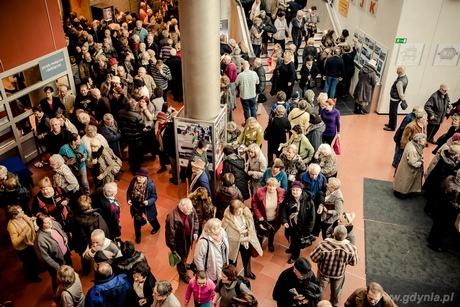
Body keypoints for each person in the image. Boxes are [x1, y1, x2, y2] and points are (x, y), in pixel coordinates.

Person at [310, 225, 359, 305]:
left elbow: (313, 258)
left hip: (323, 273)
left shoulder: (324, 245)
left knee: (321, 289)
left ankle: (319, 304)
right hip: (338, 274)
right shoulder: (351, 248)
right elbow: (354, 262)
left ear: (333, 233)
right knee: (336, 291)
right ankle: (334, 304)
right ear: (346, 236)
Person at [222, 200, 262, 279]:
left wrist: (247, 231)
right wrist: (241, 239)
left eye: (241, 211)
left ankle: (248, 272)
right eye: (237, 212)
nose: (240, 214)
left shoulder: (246, 214)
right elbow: (227, 235)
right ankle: (232, 275)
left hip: (246, 242)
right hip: (233, 244)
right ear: (233, 211)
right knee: (232, 261)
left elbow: (251, 226)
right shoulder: (227, 219)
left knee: (247, 258)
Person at [72, 195, 110, 276]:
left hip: (82, 243)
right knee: (99, 256)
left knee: (85, 258)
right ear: (89, 205)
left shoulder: (74, 217)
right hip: (96, 242)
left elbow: (75, 231)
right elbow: (103, 229)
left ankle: (86, 271)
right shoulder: (97, 216)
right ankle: (100, 271)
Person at [34, 214, 73, 292]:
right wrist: (57, 266)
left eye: (50, 220)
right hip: (56, 262)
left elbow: (62, 230)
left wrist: (64, 237)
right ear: (41, 225)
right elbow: (44, 257)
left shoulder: (54, 224)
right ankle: (57, 294)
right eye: (47, 222)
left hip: (65, 254)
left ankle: (71, 286)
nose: (50, 223)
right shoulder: (40, 239)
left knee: (70, 271)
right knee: (58, 279)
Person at [165, 198, 199, 284]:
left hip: (187, 238)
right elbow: (170, 235)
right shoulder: (172, 218)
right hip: (179, 243)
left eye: (191, 208)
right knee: (180, 258)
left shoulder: (190, 209)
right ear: (182, 209)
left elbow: (195, 219)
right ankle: (183, 274)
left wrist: (195, 231)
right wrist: (173, 248)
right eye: (189, 209)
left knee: (185, 255)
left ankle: (184, 264)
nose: (191, 210)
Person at [6, 205, 42, 283]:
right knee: (28, 263)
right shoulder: (11, 226)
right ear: (15, 216)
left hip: (31, 242)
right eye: (21, 212)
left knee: (35, 258)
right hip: (23, 249)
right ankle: (32, 276)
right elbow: (15, 243)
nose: (23, 212)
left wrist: (31, 219)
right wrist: (23, 233)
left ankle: (37, 269)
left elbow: (28, 219)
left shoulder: (23, 217)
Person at [427, 170, 460, 252]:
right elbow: (454, 204)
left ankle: (431, 239)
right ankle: (435, 245)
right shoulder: (456, 189)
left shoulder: (449, 178)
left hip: (439, 207)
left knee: (436, 225)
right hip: (447, 212)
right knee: (442, 229)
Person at [252, 177, 286, 252]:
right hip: (263, 218)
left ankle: (270, 244)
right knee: (260, 232)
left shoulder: (281, 192)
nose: (271, 188)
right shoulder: (259, 191)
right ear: (266, 185)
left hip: (275, 218)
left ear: (276, 186)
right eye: (270, 185)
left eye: (273, 186)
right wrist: (259, 215)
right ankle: (259, 245)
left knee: (272, 232)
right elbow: (254, 203)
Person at [127, 167, 160, 243]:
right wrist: (129, 199)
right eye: (138, 176)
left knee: (152, 218)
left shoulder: (151, 186)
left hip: (146, 206)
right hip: (136, 205)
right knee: (136, 221)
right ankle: (138, 236)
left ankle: (156, 227)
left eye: (141, 177)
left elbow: (154, 197)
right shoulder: (133, 181)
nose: (138, 178)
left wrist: (148, 202)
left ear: (146, 177)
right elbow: (129, 191)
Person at [194, 218, 229, 283]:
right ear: (212, 230)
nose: (221, 228)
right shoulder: (203, 242)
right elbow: (198, 258)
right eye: (218, 227)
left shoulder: (222, 232)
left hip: (223, 265)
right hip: (212, 270)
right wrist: (202, 273)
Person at [393, 133, 427, 198]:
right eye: (424, 140)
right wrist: (420, 162)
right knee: (405, 182)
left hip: (405, 167)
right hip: (409, 169)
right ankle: (402, 193)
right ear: (418, 141)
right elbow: (413, 163)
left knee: (402, 180)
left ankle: (399, 191)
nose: (425, 142)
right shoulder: (413, 150)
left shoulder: (411, 143)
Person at [299, 163, 328, 238]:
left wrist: (321, 203)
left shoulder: (322, 178)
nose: (314, 176)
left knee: (315, 217)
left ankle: (313, 233)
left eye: (316, 174)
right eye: (312, 174)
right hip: (305, 201)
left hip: (316, 201)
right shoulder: (302, 177)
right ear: (309, 171)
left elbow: (324, 191)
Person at [118, 98, 145, 173]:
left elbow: (120, 124)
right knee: (137, 153)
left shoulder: (121, 112)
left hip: (127, 136)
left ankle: (132, 166)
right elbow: (142, 126)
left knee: (131, 151)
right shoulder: (137, 115)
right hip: (137, 137)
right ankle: (136, 169)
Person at [384, 66, 408, 131]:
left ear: (399, 71)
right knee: (392, 112)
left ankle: (392, 126)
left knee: (393, 113)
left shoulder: (400, 81)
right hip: (396, 98)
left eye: (397, 70)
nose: (396, 71)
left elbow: (400, 93)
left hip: (395, 99)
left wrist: (403, 99)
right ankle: (390, 123)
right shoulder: (404, 78)